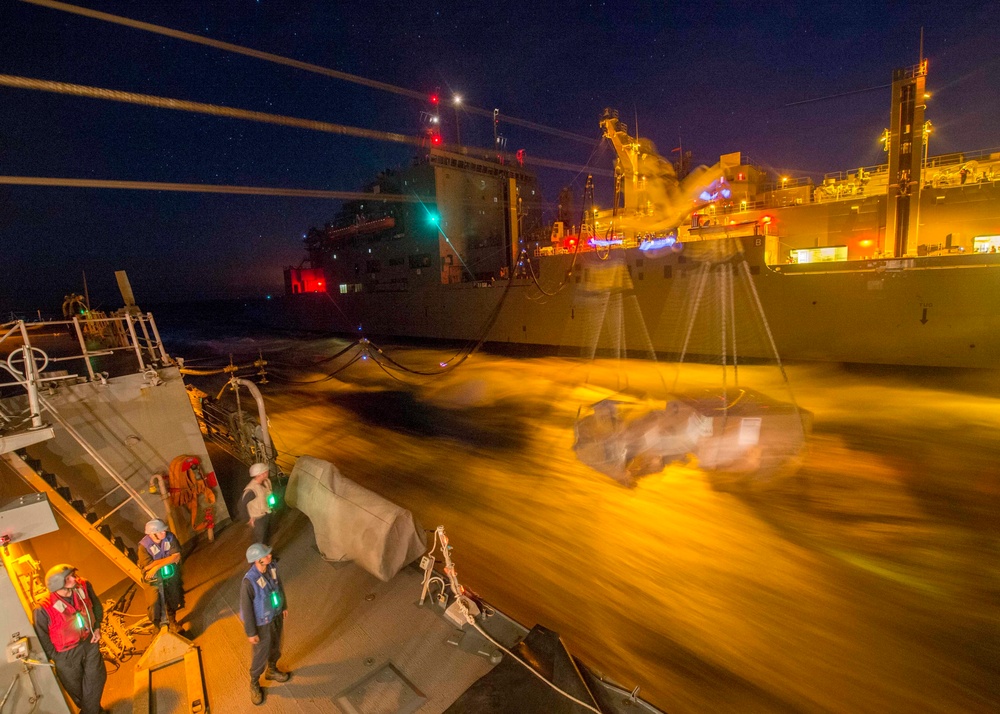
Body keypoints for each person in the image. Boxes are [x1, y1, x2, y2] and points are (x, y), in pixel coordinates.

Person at [33, 564, 107, 714]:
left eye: (73, 575)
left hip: (89, 641)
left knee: (97, 678)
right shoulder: (43, 609)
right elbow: (42, 636)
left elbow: (96, 606)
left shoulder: (84, 586)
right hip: (66, 655)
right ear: (57, 584)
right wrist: (55, 657)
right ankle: (96, 711)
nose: (74, 579)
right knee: (77, 690)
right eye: (68, 578)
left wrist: (97, 627)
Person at [240, 543, 290, 705]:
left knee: (276, 645)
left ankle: (272, 669)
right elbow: (246, 609)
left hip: (275, 616)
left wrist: (283, 606)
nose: (270, 555)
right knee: (261, 653)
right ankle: (254, 681)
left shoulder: (272, 567)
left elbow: (279, 586)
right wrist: (251, 632)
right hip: (262, 624)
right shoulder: (249, 582)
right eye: (266, 555)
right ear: (257, 560)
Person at [137, 518, 185, 630]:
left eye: (164, 530)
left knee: (173, 596)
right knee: (154, 602)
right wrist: (169, 559)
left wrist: (157, 565)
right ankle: (157, 627)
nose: (164, 532)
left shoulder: (170, 537)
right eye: (161, 531)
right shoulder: (144, 546)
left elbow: (177, 556)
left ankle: (173, 621)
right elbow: (148, 567)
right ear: (152, 534)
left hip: (168, 572)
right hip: (153, 578)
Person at [242, 462, 275, 545]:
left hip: (267, 512)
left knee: (266, 537)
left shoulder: (266, 481)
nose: (267, 472)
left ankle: (267, 556)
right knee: (260, 540)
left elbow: (269, 494)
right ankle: (259, 557)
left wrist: (272, 506)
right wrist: (248, 518)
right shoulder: (251, 490)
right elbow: (241, 505)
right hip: (258, 518)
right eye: (265, 471)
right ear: (260, 474)